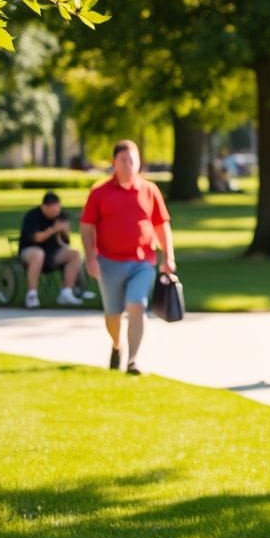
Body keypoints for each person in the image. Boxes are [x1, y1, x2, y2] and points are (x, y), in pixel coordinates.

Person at [81, 140, 176, 376]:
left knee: (137, 304)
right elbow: (86, 226)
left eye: (132, 159)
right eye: (123, 159)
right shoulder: (99, 192)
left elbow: (161, 225)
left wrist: (169, 257)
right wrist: (91, 258)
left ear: (139, 162)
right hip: (108, 262)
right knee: (113, 315)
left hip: (142, 261)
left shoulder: (149, 190)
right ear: (114, 162)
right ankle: (117, 345)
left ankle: (133, 360)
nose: (128, 164)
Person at [17, 191, 85, 309]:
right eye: (53, 210)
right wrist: (54, 229)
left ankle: (66, 292)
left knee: (74, 254)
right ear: (44, 207)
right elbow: (37, 238)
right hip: (30, 251)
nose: (56, 213)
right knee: (39, 254)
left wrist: (64, 232)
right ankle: (32, 295)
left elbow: (65, 242)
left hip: (52, 252)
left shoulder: (60, 216)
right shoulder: (32, 216)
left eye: (58, 210)